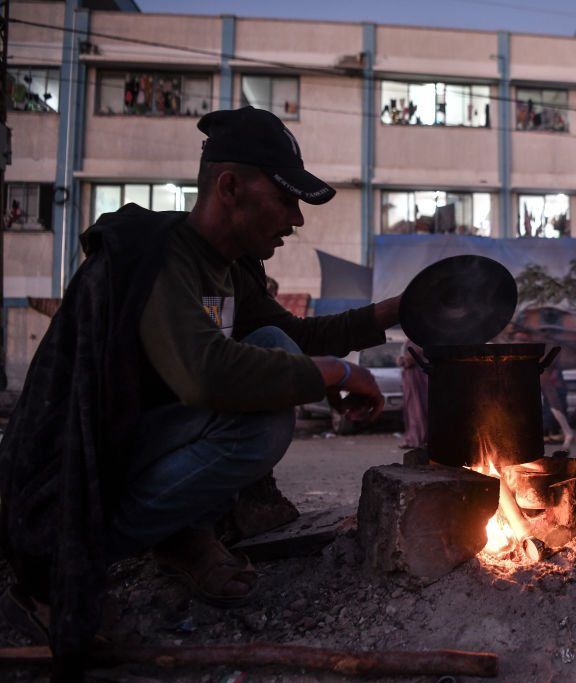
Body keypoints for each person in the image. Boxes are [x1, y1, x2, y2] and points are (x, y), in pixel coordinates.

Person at [0, 106, 400, 673]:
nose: (295, 219)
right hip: (66, 483)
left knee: (268, 340)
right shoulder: (158, 257)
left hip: (135, 448)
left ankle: (181, 535)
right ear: (230, 188)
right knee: (261, 422)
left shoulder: (232, 269)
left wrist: (393, 311)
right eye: (286, 200)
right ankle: (53, 576)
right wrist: (336, 372)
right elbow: (206, 374)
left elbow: (296, 337)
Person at [397, 339, 428, 449]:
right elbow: (401, 360)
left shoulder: (423, 342)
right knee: (411, 410)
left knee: (420, 410)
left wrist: (409, 358)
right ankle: (413, 439)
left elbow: (409, 360)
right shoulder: (407, 343)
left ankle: (420, 439)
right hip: (410, 380)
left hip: (420, 380)